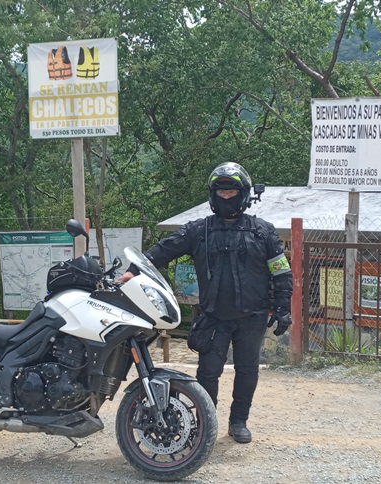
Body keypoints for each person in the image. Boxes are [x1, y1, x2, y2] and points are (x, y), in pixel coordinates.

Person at [116, 162, 293, 444]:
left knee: (247, 370)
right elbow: (162, 251)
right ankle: (204, 424)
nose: (226, 196)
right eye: (221, 191)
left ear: (244, 193)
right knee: (207, 374)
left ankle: (238, 422)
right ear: (212, 195)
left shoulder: (264, 232)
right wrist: (131, 272)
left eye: (231, 190)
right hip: (213, 316)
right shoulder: (198, 230)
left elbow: (281, 271)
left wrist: (284, 308)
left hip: (253, 317)